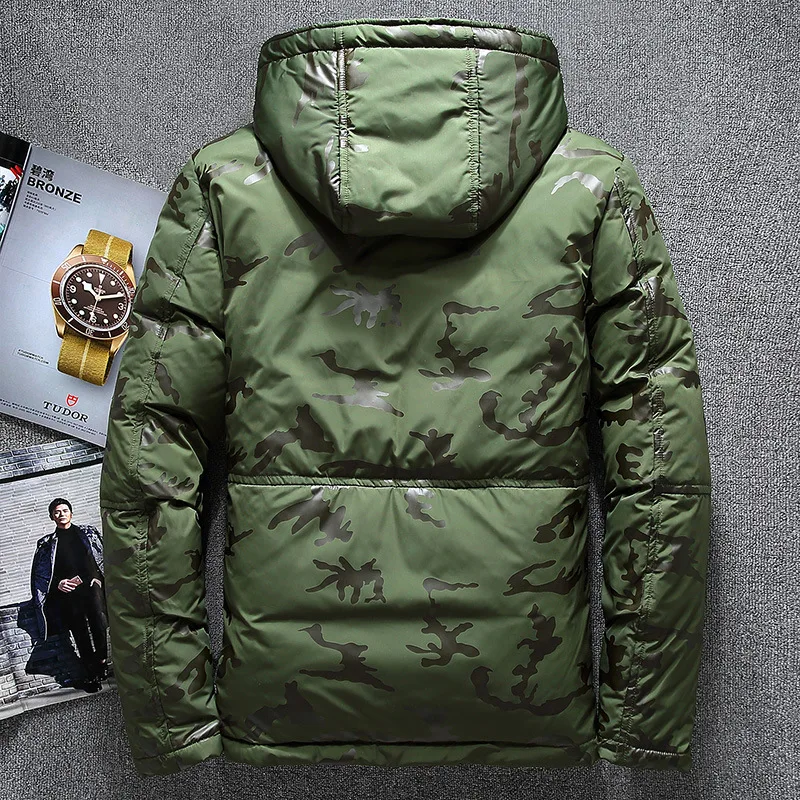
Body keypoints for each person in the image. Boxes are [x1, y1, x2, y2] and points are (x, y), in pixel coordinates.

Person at [30, 497, 108, 692]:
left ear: (71, 513)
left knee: (99, 623)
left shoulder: (88, 533)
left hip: (92, 587)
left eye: (65, 510)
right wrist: (59, 583)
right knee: (80, 633)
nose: (61, 514)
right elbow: (42, 574)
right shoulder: (47, 543)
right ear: (52, 517)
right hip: (68, 593)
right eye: (57, 512)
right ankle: (91, 673)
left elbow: (103, 555)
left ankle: (101, 660)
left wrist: (97, 577)